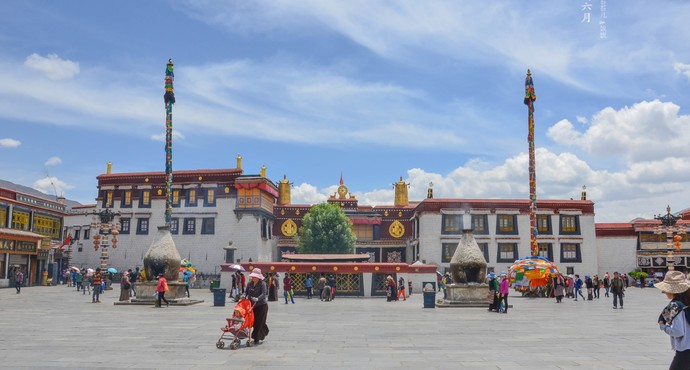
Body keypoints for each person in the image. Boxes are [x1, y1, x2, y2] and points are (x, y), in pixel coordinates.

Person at [655, 270, 690, 369]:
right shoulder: (686, 300)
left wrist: (663, 327)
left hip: (685, 350)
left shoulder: (674, 306)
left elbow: (678, 331)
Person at [245, 268, 269, 345]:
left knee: (258, 322)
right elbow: (246, 292)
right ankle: (264, 330)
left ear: (259, 277)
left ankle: (256, 338)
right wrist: (242, 296)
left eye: (255, 277)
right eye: (253, 277)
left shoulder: (262, 284)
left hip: (262, 305)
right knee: (254, 321)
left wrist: (257, 298)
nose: (254, 278)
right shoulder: (249, 284)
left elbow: (264, 293)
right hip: (252, 305)